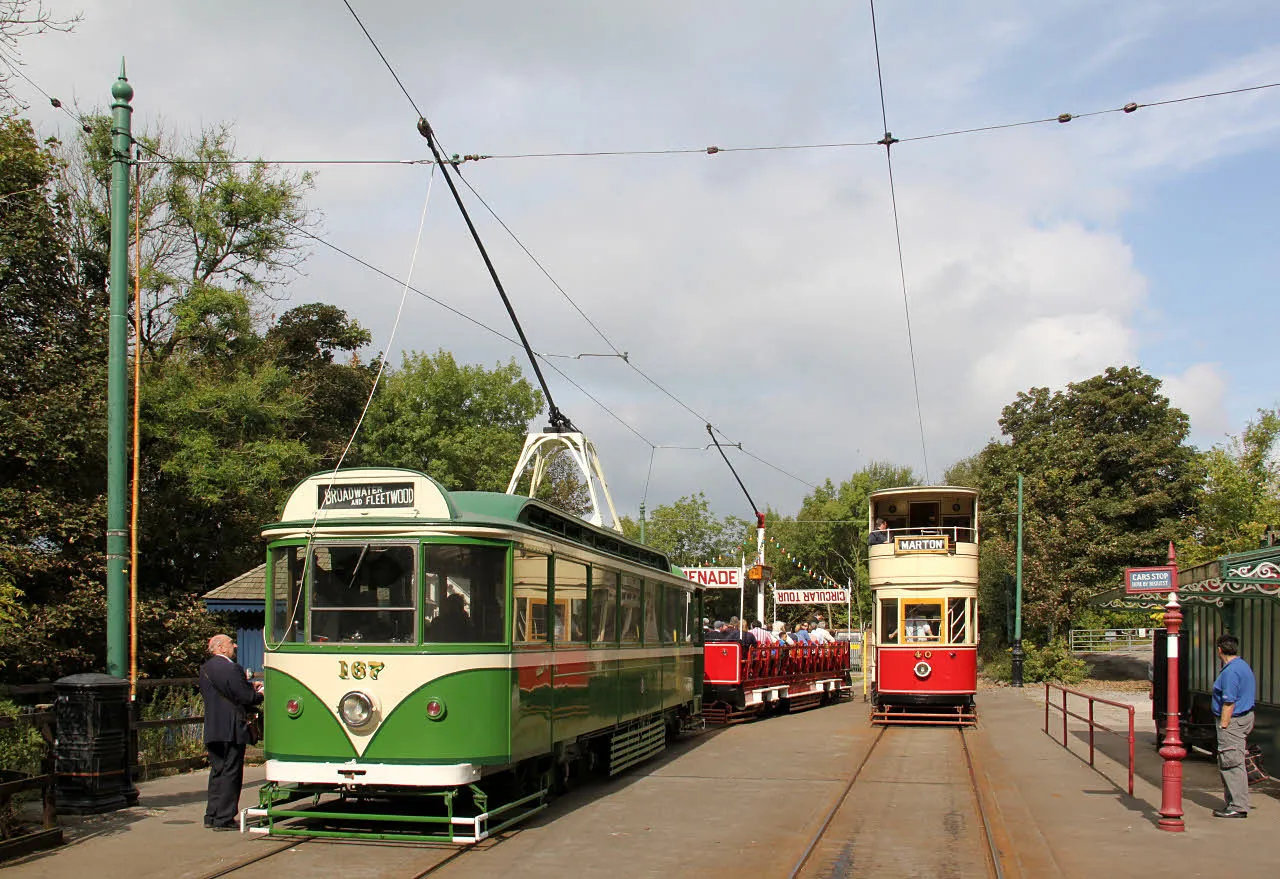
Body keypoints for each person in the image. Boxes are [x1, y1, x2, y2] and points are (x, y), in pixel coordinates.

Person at [199, 634, 264, 831]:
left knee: (217, 771)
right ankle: (225, 818)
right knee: (231, 772)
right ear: (220, 647)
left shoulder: (205, 669)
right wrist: (259, 694)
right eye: (230, 643)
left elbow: (225, 692)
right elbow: (244, 696)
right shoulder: (231, 668)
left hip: (213, 727)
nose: (234, 645)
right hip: (232, 727)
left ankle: (211, 814)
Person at [1211, 634, 1256, 818]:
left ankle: (1237, 805)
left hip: (1233, 721)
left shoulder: (1230, 672)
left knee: (1231, 761)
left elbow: (1229, 701)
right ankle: (1234, 802)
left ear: (1219, 650)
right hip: (1244, 717)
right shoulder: (1242, 666)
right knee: (1233, 759)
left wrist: (1223, 725)